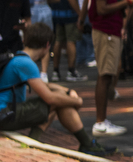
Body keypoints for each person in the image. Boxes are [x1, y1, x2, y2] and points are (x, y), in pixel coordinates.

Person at [0, 23, 104, 154]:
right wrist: (77, 102)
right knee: (55, 102)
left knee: (57, 99)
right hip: (5, 115)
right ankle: (86, 144)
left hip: (6, 112)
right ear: (47, 45)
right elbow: (49, 98)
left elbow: (43, 85)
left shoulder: (19, 57)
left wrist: (66, 91)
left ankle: (35, 141)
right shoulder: (26, 64)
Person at [89, 0, 133, 136]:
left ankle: (102, 120)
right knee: (105, 75)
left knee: (107, 75)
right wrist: (125, 2)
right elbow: (101, 9)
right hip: (106, 31)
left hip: (109, 31)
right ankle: (100, 121)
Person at [49, 0, 82, 80]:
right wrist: (80, 13)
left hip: (56, 13)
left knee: (57, 41)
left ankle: (56, 72)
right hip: (69, 13)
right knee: (71, 41)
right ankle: (71, 71)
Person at [25, 0, 54, 78]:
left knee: (31, 40)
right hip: (46, 9)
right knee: (46, 41)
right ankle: (44, 73)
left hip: (33, 11)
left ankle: (31, 71)